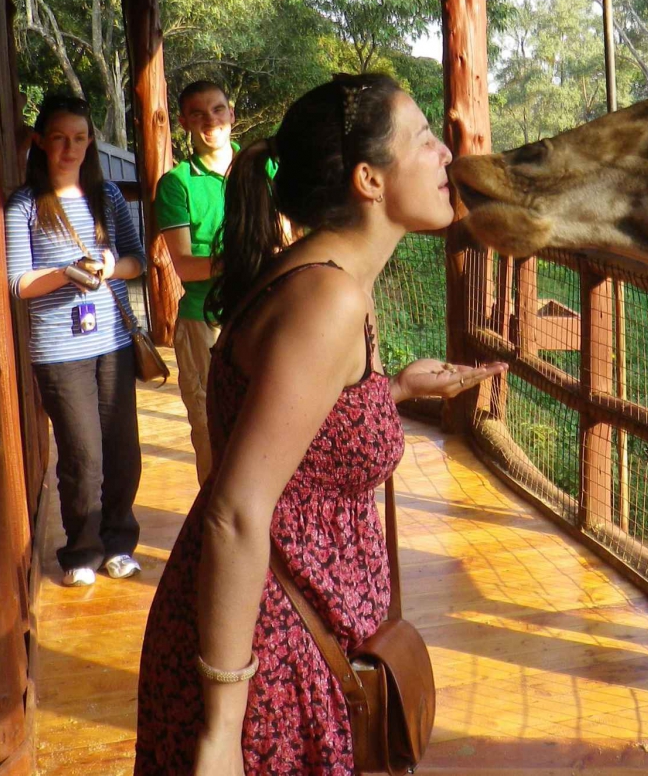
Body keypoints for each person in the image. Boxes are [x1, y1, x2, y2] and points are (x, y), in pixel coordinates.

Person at [134, 74, 506, 775]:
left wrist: (390, 390)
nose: (447, 156)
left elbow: (297, 434)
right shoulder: (327, 298)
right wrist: (222, 729)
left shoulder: (330, 281)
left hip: (295, 635)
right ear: (369, 178)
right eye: (425, 139)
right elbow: (236, 511)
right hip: (271, 655)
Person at [6, 94, 148, 588]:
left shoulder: (105, 195)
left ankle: (118, 543)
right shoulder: (24, 203)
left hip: (112, 341)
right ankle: (81, 550)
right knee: (82, 454)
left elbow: (138, 261)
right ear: (42, 142)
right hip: (58, 350)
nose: (70, 148)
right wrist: (66, 274)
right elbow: (18, 282)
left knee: (122, 450)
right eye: (60, 138)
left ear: (90, 142)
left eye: (80, 138)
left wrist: (110, 266)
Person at [155, 80, 238, 485]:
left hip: (262, 313)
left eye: (218, 109)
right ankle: (211, 534)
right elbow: (186, 267)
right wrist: (247, 257)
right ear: (185, 122)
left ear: (232, 115)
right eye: (199, 113)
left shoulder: (263, 169)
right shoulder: (177, 184)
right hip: (204, 320)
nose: (211, 120)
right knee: (210, 429)